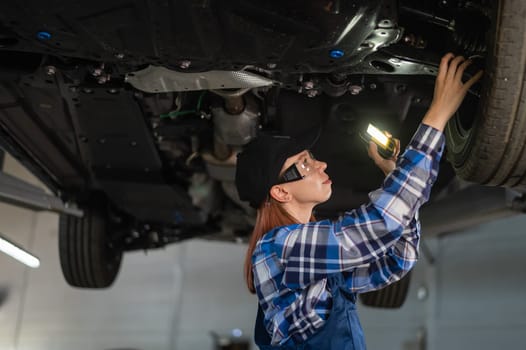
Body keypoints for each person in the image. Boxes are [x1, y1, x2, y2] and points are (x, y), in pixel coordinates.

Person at [234, 53, 483, 350]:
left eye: (312, 157)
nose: (321, 165)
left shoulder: (308, 259)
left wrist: (392, 172)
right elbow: (383, 224)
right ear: (281, 192)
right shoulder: (278, 249)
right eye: (304, 163)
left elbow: (396, 260)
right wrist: (437, 115)